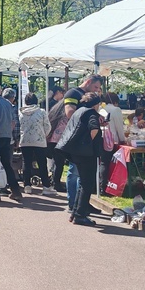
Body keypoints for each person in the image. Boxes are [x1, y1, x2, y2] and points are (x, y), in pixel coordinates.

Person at [57, 91, 103, 226]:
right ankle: (80, 215)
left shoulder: (79, 111)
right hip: (87, 153)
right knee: (87, 184)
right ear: (95, 104)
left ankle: (75, 212)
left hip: (76, 152)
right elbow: (93, 128)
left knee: (82, 182)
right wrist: (89, 142)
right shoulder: (91, 113)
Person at [0, 83, 23, 201]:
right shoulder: (8, 103)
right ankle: (15, 190)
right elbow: (13, 123)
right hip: (7, 137)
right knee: (6, 165)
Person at [19, 92, 53, 196]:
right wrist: (43, 135)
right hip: (39, 141)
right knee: (42, 163)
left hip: (25, 140)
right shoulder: (41, 112)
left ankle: (27, 185)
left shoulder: (20, 112)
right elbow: (48, 126)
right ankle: (46, 186)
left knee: (26, 163)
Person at [99, 92, 127, 195]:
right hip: (111, 139)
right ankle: (105, 186)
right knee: (107, 163)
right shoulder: (116, 110)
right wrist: (122, 139)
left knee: (102, 162)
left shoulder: (101, 109)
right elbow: (119, 126)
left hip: (100, 138)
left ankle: (100, 185)